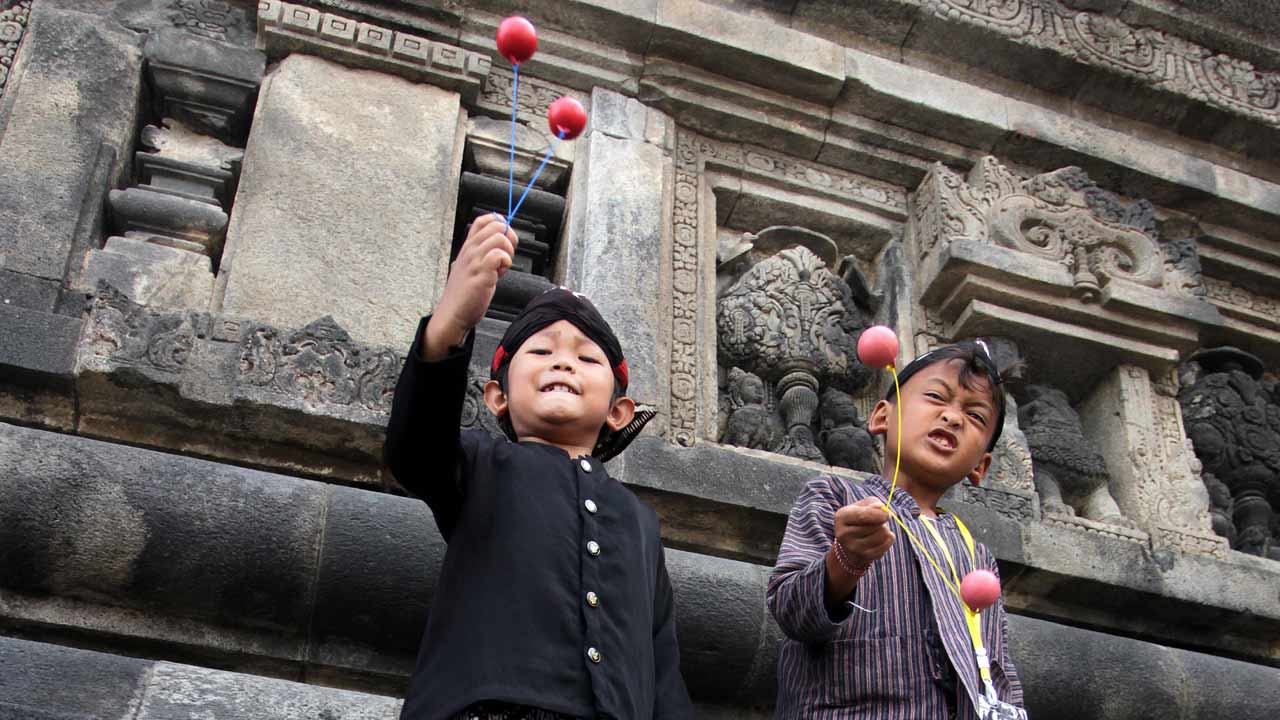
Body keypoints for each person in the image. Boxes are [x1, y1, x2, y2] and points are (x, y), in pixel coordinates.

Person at [384, 213, 693, 720]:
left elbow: (662, 667)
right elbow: (414, 450)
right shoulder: (481, 463)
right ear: (498, 397)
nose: (564, 362)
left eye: (587, 359)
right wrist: (449, 325)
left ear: (620, 412)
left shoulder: (640, 522)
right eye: (542, 350)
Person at [767, 341, 1026, 719]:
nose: (953, 417)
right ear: (881, 417)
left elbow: (998, 671)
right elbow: (790, 611)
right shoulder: (836, 496)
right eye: (936, 396)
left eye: (975, 416)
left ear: (980, 467)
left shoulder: (975, 555)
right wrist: (845, 560)